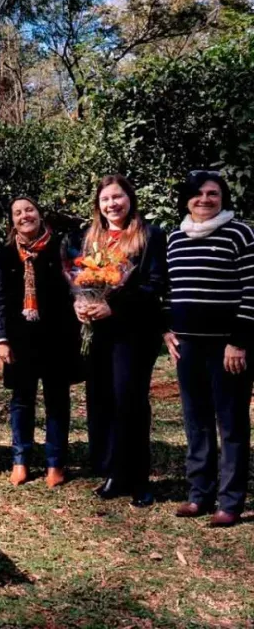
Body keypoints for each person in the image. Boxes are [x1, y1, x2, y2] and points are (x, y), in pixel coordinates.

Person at [164, 171, 254, 527]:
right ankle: (199, 494)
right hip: (187, 346)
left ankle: (230, 502)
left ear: (223, 197)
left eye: (213, 193)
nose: (205, 199)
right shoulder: (175, 238)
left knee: (230, 423)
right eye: (198, 193)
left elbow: (252, 291)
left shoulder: (241, 233)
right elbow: (170, 292)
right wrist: (167, 329)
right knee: (196, 421)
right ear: (186, 198)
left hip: (229, 347)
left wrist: (240, 341)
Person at [78, 175, 166, 508]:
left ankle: (140, 478)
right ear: (98, 205)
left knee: (130, 402)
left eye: (117, 197)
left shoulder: (151, 236)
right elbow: (82, 280)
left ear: (130, 199)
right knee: (103, 401)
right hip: (99, 335)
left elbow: (154, 285)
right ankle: (115, 471)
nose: (112, 204)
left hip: (133, 333)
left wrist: (112, 306)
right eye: (105, 200)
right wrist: (82, 304)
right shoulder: (91, 239)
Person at [0, 197, 79, 487]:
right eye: (17, 213)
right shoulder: (5, 256)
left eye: (29, 210)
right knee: (21, 401)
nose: (24, 216)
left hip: (58, 338)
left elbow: (77, 287)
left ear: (40, 215)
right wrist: (1, 339)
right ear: (12, 221)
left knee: (57, 401)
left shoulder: (61, 248)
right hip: (19, 340)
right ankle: (21, 460)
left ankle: (56, 463)